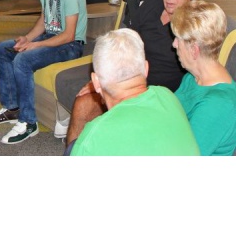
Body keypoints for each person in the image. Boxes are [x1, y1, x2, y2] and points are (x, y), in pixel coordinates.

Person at [64, 0, 197, 144]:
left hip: (160, 97)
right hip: (129, 82)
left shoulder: (196, 22)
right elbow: (126, 47)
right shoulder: (151, 5)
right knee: (83, 104)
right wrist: (102, 79)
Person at [0, 0, 87, 144]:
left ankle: (29, 122)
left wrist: (35, 45)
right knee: (2, 50)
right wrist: (28, 38)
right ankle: (12, 108)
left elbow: (69, 35)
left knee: (22, 60)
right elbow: (45, 18)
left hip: (70, 45)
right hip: (50, 37)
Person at [69, 28, 199, 156]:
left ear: (95, 82)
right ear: (146, 69)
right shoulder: (167, 96)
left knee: (72, 148)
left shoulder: (92, 139)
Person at [171, 0, 236, 155]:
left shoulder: (218, 105)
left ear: (194, 50)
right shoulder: (192, 78)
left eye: (178, 39)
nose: (174, 44)